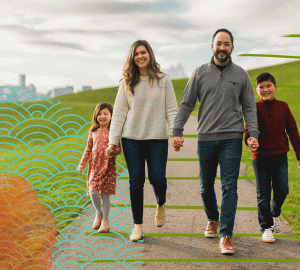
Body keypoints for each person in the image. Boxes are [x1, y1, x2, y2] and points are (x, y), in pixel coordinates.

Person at [172, 28, 259, 254]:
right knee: (205, 186)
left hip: (232, 137)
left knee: (230, 186)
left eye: (226, 44)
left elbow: (249, 107)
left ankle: (226, 235)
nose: (222, 48)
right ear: (212, 46)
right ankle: (213, 218)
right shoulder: (199, 73)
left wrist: (253, 135)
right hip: (206, 138)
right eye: (218, 43)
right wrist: (177, 130)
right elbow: (187, 104)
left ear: (232, 47)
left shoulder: (241, 74)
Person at [107, 40, 178, 242]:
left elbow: (171, 110)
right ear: (132, 57)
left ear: (150, 54)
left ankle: (160, 203)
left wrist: (176, 134)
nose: (140, 56)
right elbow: (119, 114)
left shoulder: (163, 80)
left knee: (157, 178)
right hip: (132, 139)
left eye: (143, 52)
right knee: (136, 181)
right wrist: (113, 141)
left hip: (157, 138)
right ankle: (137, 225)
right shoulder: (126, 82)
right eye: (136, 53)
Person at [244, 72, 300, 243]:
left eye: (268, 86)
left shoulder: (283, 107)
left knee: (282, 190)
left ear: (275, 87)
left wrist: (299, 155)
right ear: (257, 90)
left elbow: (292, 131)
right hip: (260, 158)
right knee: (263, 194)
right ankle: (266, 228)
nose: (265, 90)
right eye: (261, 87)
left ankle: (275, 213)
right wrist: (249, 140)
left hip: (280, 157)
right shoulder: (253, 108)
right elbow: (248, 130)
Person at [78, 102, 118, 233]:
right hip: (95, 168)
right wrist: (82, 163)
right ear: (95, 116)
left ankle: (105, 222)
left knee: (105, 195)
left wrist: (113, 151)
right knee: (94, 192)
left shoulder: (113, 132)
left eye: (105, 114)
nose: (102, 116)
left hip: (108, 168)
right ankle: (99, 213)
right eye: (99, 114)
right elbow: (88, 149)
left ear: (111, 116)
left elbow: (118, 149)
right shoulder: (93, 132)